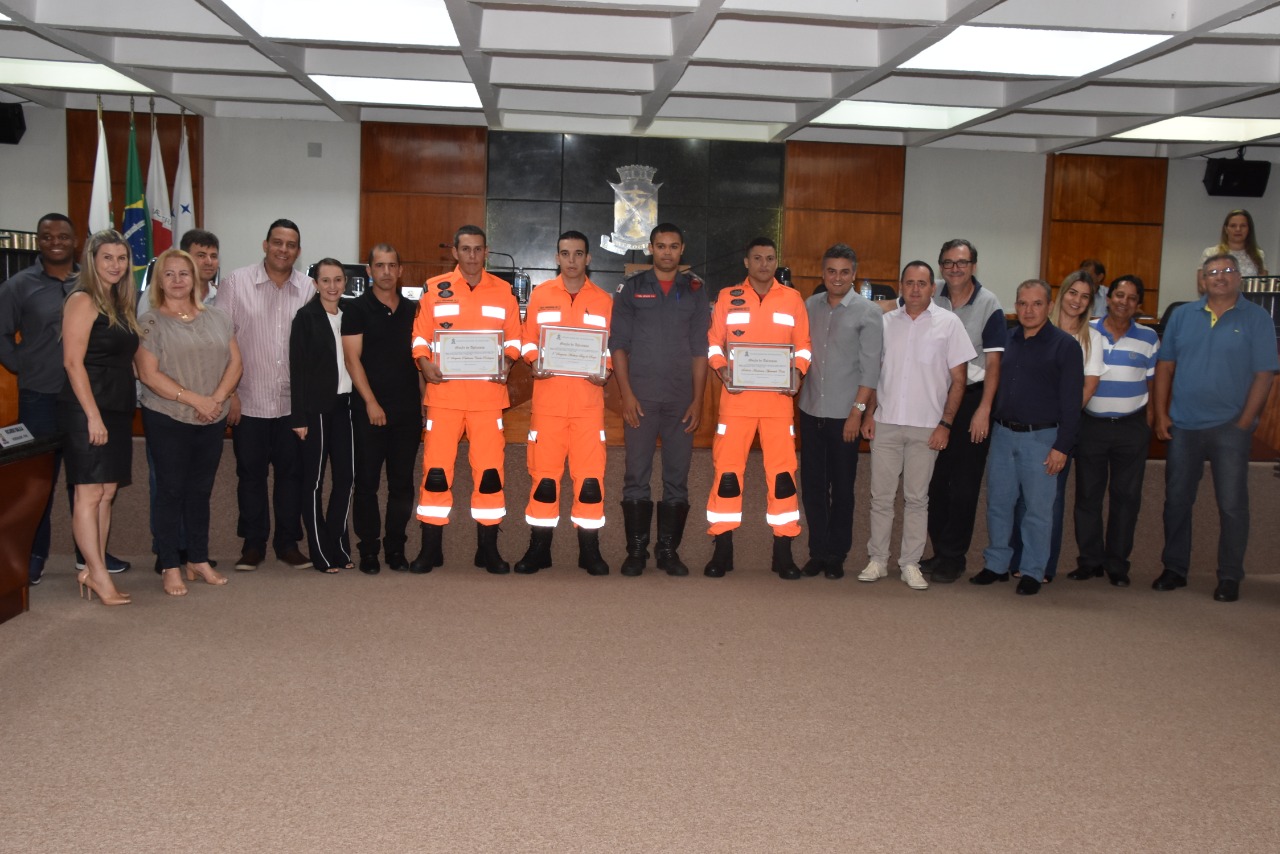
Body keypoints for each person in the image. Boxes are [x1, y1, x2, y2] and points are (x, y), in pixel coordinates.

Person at [0, 213, 129, 583]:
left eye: (63, 235)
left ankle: (88, 559)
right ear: (37, 241)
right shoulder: (19, 285)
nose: (54, 240)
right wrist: (24, 367)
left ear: (77, 243)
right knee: (38, 482)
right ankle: (33, 554)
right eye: (46, 235)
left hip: (91, 398)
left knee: (91, 482)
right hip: (42, 395)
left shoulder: (101, 288)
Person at [1153, 254, 1278, 602]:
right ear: (1201, 279)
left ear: (1239, 277)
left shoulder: (1256, 318)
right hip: (1184, 425)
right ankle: (1175, 569)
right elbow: (1165, 367)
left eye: (1227, 271)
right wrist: (1161, 415)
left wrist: (1243, 423)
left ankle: (1229, 576)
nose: (1220, 277)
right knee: (1177, 500)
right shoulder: (1182, 315)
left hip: (1229, 428)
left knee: (1232, 504)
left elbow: (1264, 374)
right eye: (1213, 272)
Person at [411, 225, 521, 574]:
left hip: (488, 399)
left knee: (490, 474)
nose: (472, 256)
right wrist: (424, 363)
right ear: (455, 253)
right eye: (466, 249)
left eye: (478, 249)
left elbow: (515, 341)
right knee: (436, 474)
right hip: (444, 398)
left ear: (486, 252)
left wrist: (506, 361)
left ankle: (487, 550)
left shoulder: (503, 292)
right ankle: (431, 550)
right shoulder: (434, 289)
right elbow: (419, 338)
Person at [859, 261, 974, 590]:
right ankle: (878, 560)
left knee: (917, 499)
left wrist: (946, 424)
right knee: (880, 497)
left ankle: (909, 563)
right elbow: (874, 374)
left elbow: (959, 380)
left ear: (932, 288)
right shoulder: (884, 323)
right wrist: (869, 414)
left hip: (927, 427)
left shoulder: (949, 324)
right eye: (909, 283)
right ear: (901, 286)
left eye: (921, 283)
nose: (914, 289)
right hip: (886, 424)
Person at [704, 237, 812, 579]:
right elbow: (713, 344)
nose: (764, 264)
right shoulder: (727, 297)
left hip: (779, 404)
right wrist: (722, 370)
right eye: (758, 258)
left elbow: (804, 346)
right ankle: (722, 551)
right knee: (727, 476)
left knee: (782, 479)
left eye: (770, 258)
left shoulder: (793, 299)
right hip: (736, 403)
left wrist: (798, 372)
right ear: (746, 263)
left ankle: (783, 553)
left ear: (775, 261)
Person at [135, 248, 241, 596]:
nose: (178, 280)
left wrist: (217, 400)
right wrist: (197, 400)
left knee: (199, 492)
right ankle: (169, 564)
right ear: (159, 281)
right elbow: (148, 375)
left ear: (196, 278)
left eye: (184, 273)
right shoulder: (150, 321)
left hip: (211, 418)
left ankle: (197, 558)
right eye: (170, 274)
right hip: (168, 418)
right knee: (170, 491)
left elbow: (235, 364)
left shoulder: (218, 317)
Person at [970, 280, 1083, 596]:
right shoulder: (1007, 340)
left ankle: (1033, 570)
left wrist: (1063, 446)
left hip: (1043, 438)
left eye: (1036, 303)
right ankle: (996, 565)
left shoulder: (1065, 346)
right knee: (999, 505)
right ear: (1015, 306)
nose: (1028, 310)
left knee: (1037, 509)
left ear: (1049, 306)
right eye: (1022, 303)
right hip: (1004, 435)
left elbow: (1072, 403)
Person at [610, 223, 710, 577]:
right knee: (635, 474)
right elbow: (618, 345)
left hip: (681, 399)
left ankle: (668, 551)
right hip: (642, 398)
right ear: (650, 248)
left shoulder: (695, 290)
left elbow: (701, 349)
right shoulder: (632, 289)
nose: (667, 252)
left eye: (674, 246)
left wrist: (698, 401)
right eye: (661, 246)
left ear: (682, 250)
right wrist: (626, 394)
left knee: (676, 477)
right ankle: (636, 551)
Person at [516, 230, 614, 575]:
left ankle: (590, 552)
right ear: (557, 257)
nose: (571, 260)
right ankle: (539, 550)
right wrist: (533, 362)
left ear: (588, 258)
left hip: (588, 406)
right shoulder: (541, 296)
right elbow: (526, 342)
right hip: (549, 405)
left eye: (578, 254)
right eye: (565, 253)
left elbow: (610, 350)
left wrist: (607, 370)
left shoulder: (604, 300)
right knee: (544, 479)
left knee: (590, 481)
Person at [218, 219, 314, 571]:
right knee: (251, 476)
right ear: (265, 245)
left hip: (293, 405)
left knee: (292, 477)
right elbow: (221, 343)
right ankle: (253, 544)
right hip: (249, 401)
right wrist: (229, 394)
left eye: (290, 245)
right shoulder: (235, 284)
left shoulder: (308, 289)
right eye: (277, 242)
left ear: (298, 251)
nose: (283, 250)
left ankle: (287, 543)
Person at [59, 230, 140, 606]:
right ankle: (98, 575)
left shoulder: (120, 302)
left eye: (121, 258)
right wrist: (92, 416)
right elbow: (73, 362)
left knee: (107, 492)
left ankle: (94, 569)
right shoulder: (82, 299)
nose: (115, 265)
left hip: (118, 405)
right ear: (92, 260)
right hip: (87, 407)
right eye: (107, 257)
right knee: (89, 493)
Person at [1008, 271, 1105, 582]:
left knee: (1048, 500)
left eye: (1085, 296)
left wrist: (1059, 425)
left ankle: (1042, 567)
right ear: (1058, 297)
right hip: (1027, 427)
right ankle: (1018, 559)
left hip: (1059, 428)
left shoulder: (1091, 338)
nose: (1076, 300)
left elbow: (1087, 389)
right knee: (1021, 497)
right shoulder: (1030, 329)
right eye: (1072, 293)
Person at [921, 239, 1007, 583]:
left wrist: (985, 409)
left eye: (962, 262)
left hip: (972, 400)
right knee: (934, 482)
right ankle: (941, 550)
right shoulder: (931, 295)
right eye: (948, 262)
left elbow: (995, 363)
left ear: (973, 265)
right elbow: (895, 307)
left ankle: (954, 557)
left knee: (964, 484)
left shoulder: (989, 304)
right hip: (935, 402)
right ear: (940, 265)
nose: (954, 268)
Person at [796, 243, 881, 580]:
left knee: (843, 488)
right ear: (823, 272)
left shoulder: (868, 312)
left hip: (846, 415)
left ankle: (837, 554)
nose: (837, 277)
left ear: (854, 274)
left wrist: (857, 413)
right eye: (831, 271)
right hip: (810, 409)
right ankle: (818, 551)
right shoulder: (809, 306)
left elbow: (871, 370)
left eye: (845, 271)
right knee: (813, 486)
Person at [1070, 275, 1159, 587]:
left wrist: (1148, 422)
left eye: (1131, 298)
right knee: (1087, 496)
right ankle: (1090, 561)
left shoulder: (1149, 337)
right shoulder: (1087, 330)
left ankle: (1117, 564)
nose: (1124, 301)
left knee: (1126, 498)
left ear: (1138, 305)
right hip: (1091, 425)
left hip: (1131, 428)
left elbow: (1152, 383)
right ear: (1107, 299)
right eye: (1119, 295)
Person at [342, 243, 421, 575]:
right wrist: (371, 402)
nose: (386, 271)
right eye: (380, 265)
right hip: (368, 411)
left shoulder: (414, 310)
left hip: (407, 412)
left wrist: (425, 404)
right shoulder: (356, 309)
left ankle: (395, 548)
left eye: (392, 265)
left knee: (402, 483)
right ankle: (369, 550)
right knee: (367, 484)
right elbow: (351, 360)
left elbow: (421, 361)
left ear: (400, 270)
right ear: (369, 271)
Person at [289, 259, 355, 573]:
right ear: (315, 283)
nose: (332, 286)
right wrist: (298, 417)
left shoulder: (350, 315)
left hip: (345, 407)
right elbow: (297, 368)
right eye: (325, 280)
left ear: (345, 282)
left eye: (338, 280)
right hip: (314, 409)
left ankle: (338, 545)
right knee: (314, 482)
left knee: (346, 478)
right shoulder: (305, 318)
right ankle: (320, 552)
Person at [1198, 209, 1267, 291]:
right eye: (1233, 226)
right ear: (1226, 229)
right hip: (1219, 302)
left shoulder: (1258, 254)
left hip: (1250, 302)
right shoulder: (1210, 253)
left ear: (1249, 230)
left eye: (1243, 226)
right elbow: (1202, 286)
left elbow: (1264, 287)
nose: (1238, 229)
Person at [181, 229, 221, 305]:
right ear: (185, 258)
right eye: (201, 255)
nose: (209, 262)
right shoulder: (163, 293)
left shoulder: (222, 296)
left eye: (213, 256)